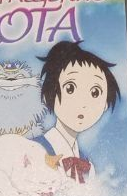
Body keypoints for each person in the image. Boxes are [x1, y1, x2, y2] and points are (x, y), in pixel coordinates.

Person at [36, 41, 121, 184]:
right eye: (70, 88)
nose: (83, 103)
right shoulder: (35, 149)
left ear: (105, 105)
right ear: (49, 95)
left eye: (95, 92)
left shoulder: (87, 164)